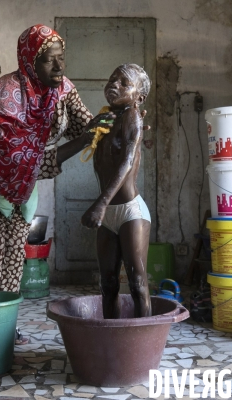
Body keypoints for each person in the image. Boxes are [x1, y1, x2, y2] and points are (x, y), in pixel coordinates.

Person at [0, 25, 122, 294]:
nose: (59, 67)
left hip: (20, 179)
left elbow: (87, 126)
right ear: (30, 62)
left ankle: (5, 326)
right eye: (49, 60)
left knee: (14, 252)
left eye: (62, 57)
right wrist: (83, 140)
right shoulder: (6, 99)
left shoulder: (61, 90)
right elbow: (21, 163)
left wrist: (123, 125)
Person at [80, 64, 152, 319]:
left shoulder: (132, 116)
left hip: (129, 212)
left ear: (139, 98)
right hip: (109, 214)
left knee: (137, 282)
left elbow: (126, 164)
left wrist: (100, 203)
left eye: (124, 83)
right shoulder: (106, 119)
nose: (115, 84)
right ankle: (113, 338)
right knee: (108, 284)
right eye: (112, 79)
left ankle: (143, 343)